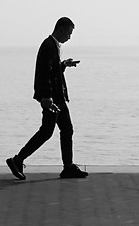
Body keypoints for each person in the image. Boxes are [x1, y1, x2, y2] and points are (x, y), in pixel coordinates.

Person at [6, 17, 88, 180]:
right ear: (61, 29)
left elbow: (52, 70)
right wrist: (47, 97)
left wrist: (64, 64)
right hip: (53, 98)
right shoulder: (49, 46)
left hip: (56, 97)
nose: (70, 37)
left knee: (65, 129)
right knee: (47, 131)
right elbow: (45, 74)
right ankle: (18, 159)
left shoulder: (52, 46)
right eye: (69, 33)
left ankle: (68, 167)